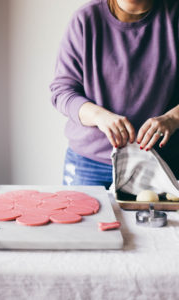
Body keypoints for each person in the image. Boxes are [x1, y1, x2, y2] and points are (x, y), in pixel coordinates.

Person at [50, 0, 179, 189]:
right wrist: (99, 116)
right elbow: (62, 91)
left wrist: (173, 118)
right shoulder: (86, 19)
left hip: (160, 161)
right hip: (90, 163)